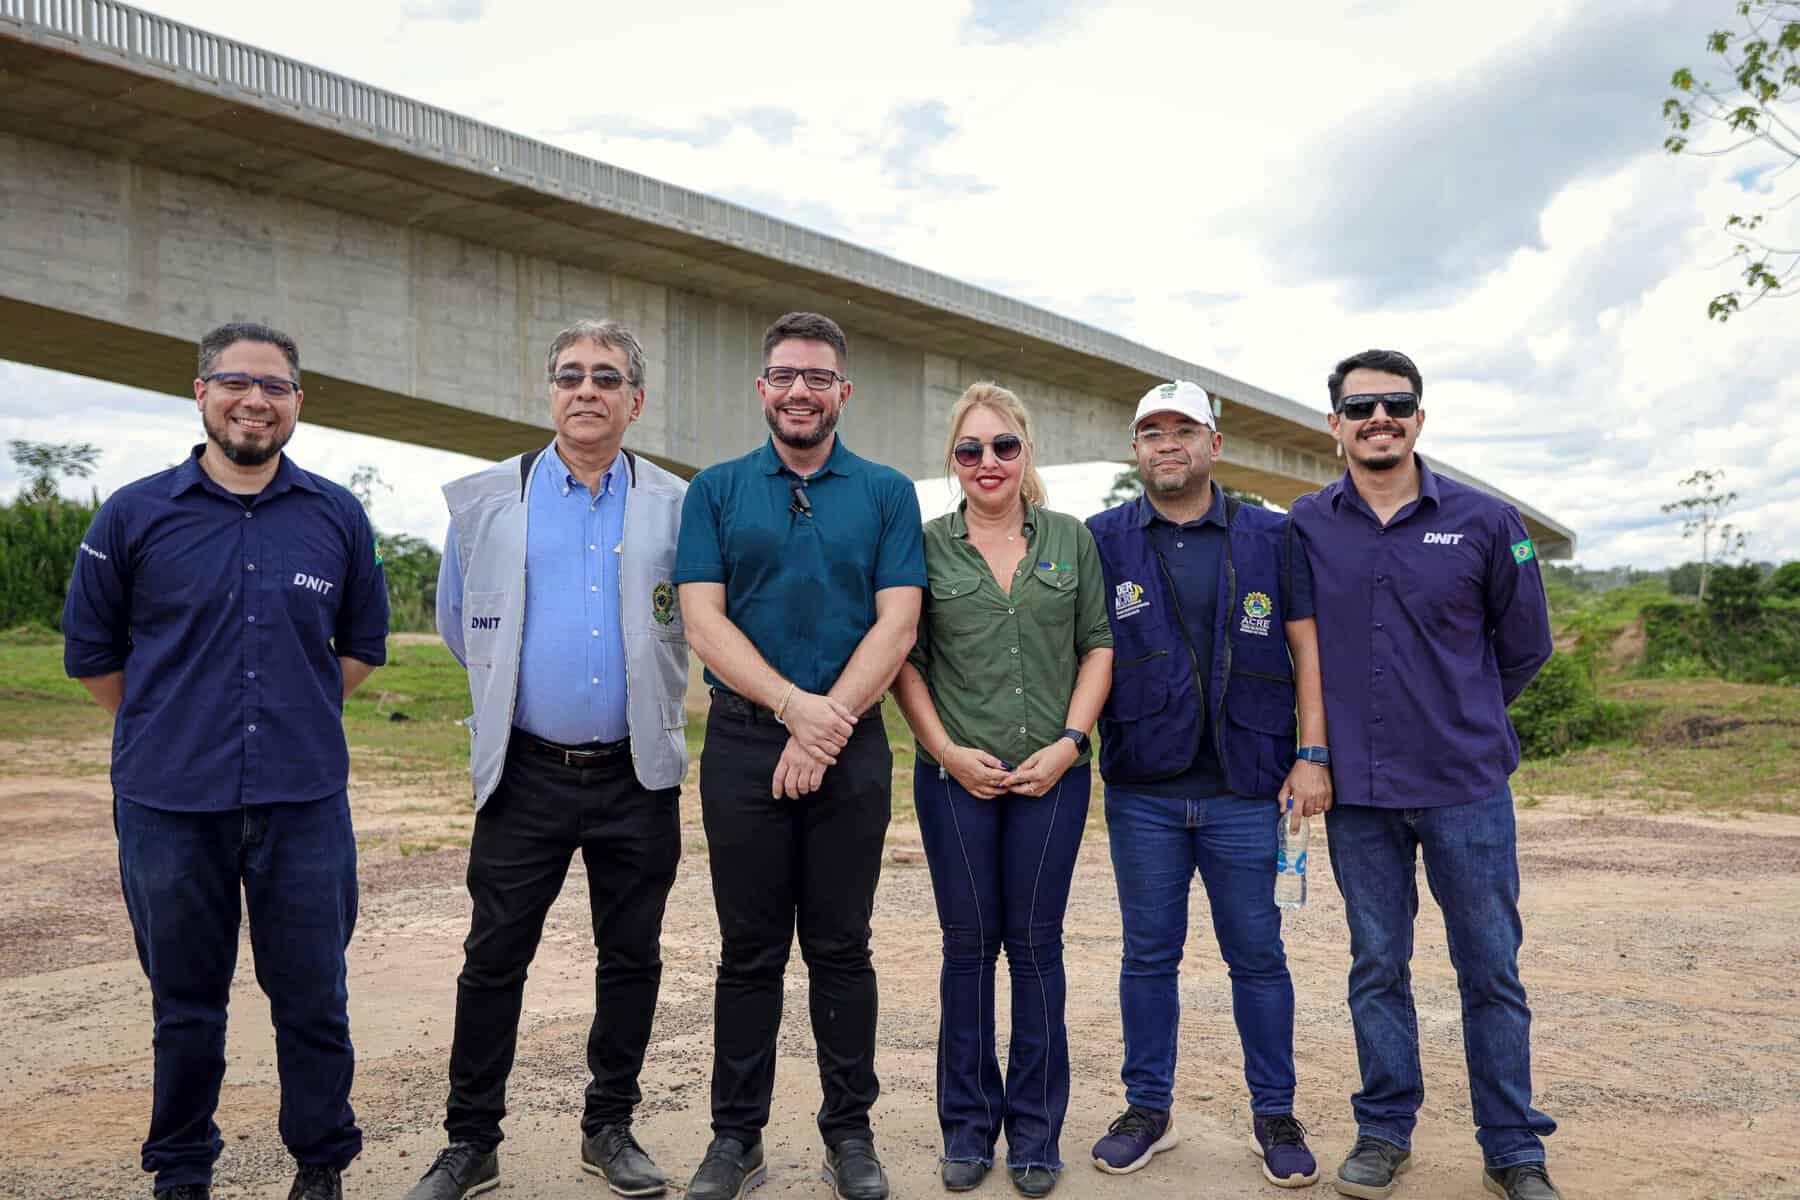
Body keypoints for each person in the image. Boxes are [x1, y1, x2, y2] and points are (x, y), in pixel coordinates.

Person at [62, 322, 389, 1200]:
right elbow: (92, 654)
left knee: (313, 998)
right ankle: (181, 1170)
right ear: (201, 393)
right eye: (236, 383)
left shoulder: (336, 516)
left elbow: (358, 648)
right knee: (186, 1003)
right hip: (171, 803)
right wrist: (173, 722)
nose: (255, 400)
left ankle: (321, 1163)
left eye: (275, 387)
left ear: (297, 405)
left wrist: (289, 711)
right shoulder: (133, 514)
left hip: (303, 798)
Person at [402, 319, 691, 1200]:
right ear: (550, 392)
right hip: (525, 771)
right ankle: (470, 1141)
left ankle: (609, 1128)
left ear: (635, 401)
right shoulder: (494, 499)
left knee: (631, 957)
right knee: (493, 958)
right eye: (571, 376)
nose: (587, 391)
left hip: (635, 771)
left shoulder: (678, 504)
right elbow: (463, 626)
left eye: (607, 378)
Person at [1289, 350, 1558, 1200]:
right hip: (1357, 797)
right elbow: (1297, 650)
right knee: (1377, 966)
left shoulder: (1486, 521)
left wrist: (1464, 710)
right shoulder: (1306, 525)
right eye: (1360, 405)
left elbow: (1525, 646)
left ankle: (1513, 1147)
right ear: (1334, 423)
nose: (1379, 418)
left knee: (1490, 969)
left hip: (1465, 785)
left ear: (1419, 417)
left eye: (1395, 404)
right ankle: (1383, 1131)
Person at [674, 311, 925, 1200]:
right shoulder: (715, 489)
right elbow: (702, 618)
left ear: (842, 392)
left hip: (851, 752)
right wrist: (792, 711)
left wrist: (828, 727)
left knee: (841, 950)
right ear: (762, 388)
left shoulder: (889, 492)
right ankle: (734, 1138)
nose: (800, 391)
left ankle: (848, 1133)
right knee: (748, 954)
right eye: (784, 375)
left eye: (817, 377)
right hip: (745, 745)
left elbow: (899, 620)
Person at [1084, 380, 1330, 1190]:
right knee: (1148, 957)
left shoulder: (1272, 535)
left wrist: (1314, 754)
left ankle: (1275, 1114)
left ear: (1213, 444)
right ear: (1136, 449)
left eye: (1182, 428)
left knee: (1258, 956)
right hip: (1143, 792)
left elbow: (1305, 647)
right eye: (1150, 430)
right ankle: (1146, 1109)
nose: (1166, 442)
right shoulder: (1102, 539)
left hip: (1248, 789)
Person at [892, 384, 1113, 1198]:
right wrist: (946, 751)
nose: (988, 462)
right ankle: (966, 1127)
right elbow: (905, 661)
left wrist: (1068, 744)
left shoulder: (1070, 540)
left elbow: (1098, 646)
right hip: (956, 782)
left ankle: (1035, 1134)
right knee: (967, 948)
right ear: (954, 463)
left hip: (1052, 777)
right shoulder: (923, 546)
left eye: (1004, 447)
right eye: (970, 450)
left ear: (1027, 453)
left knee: (1036, 948)